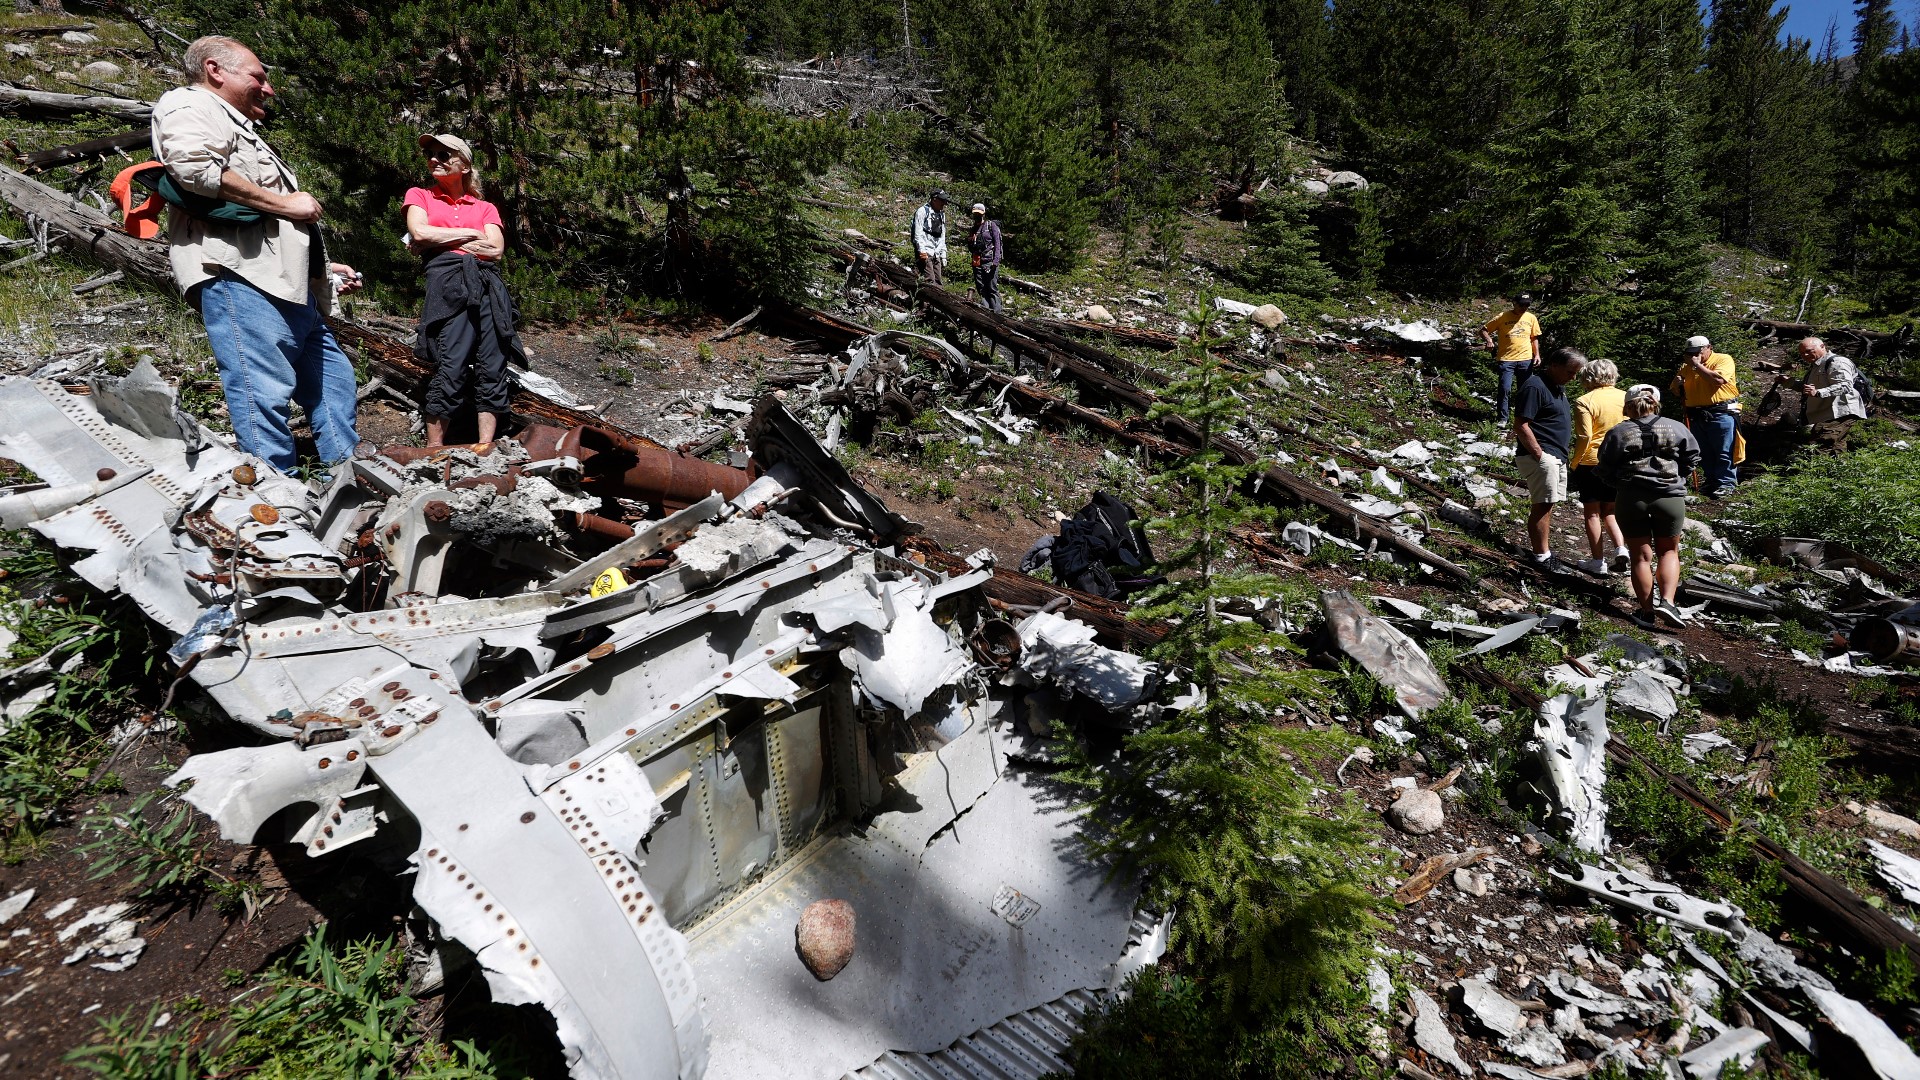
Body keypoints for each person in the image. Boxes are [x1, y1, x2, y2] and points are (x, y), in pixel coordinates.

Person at [152, 35, 362, 472]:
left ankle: (348, 474)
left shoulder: (237, 125)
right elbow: (193, 167)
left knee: (333, 379)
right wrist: (286, 203)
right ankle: (276, 492)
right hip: (239, 274)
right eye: (258, 77)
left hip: (286, 279)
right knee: (262, 389)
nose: (268, 89)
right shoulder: (190, 104)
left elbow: (269, 221)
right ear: (215, 70)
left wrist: (322, 267)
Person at [403, 133, 526, 447]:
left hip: (487, 285)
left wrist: (440, 238)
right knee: (451, 362)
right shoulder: (420, 195)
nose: (434, 159)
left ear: (465, 165)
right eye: (430, 154)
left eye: (444, 155)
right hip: (448, 285)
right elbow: (419, 232)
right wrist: (471, 234)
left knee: (492, 365)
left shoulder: (485, 207)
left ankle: (485, 446)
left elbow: (495, 250)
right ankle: (433, 449)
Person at [1596, 385, 1702, 631]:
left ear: (1628, 405)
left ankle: (1647, 612)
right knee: (1669, 551)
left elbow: (1604, 466)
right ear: (1656, 403)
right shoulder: (1676, 427)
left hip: (1631, 498)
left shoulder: (1618, 431)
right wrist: (1678, 478)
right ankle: (1668, 602)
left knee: (1640, 556)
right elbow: (1693, 458)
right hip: (1669, 497)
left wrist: (1619, 484)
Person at [1511, 347, 1587, 574]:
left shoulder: (1556, 387)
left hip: (1554, 456)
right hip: (1542, 456)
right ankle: (1541, 556)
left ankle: (1544, 552)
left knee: (1548, 504)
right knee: (1542, 505)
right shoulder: (1535, 386)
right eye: (1570, 371)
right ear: (1554, 365)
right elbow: (1521, 425)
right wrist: (1540, 456)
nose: (1573, 377)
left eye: (1576, 373)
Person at [1567, 358, 1628, 576]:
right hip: (1619, 461)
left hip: (1592, 461)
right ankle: (1621, 548)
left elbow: (1585, 436)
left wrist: (1575, 462)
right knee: (1610, 510)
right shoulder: (1626, 397)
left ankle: (1597, 561)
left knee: (1592, 513)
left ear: (1589, 377)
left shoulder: (1584, 400)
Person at [1670, 334, 1740, 498]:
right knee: (1704, 451)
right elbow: (1675, 390)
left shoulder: (1723, 359)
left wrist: (1696, 366)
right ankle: (1711, 481)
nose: (1694, 356)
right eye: (1690, 353)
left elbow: (1717, 380)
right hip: (1697, 414)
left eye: (1697, 352)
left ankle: (1726, 483)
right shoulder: (1686, 366)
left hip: (1720, 412)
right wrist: (1678, 384)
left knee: (1724, 450)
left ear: (1708, 348)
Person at [1798, 336, 1867, 452]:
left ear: (1822, 346)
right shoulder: (1817, 365)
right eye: (1802, 353)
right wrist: (1788, 382)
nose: (1805, 355)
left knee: (1821, 444)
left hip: (1841, 412)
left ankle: (1818, 464)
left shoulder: (1837, 362)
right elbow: (1809, 389)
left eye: (1809, 351)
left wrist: (1818, 392)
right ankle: (1839, 463)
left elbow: (1845, 386)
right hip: (1830, 413)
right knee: (1834, 447)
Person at [1481, 293, 1541, 424]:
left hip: (1525, 359)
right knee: (1505, 388)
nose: (1524, 308)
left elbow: (1534, 338)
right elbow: (1484, 330)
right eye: (1521, 305)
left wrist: (1537, 355)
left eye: (1527, 305)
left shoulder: (1531, 318)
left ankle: (1522, 419)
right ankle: (1503, 418)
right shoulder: (1502, 317)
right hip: (1506, 359)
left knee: (1525, 390)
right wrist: (1489, 340)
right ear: (1514, 303)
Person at [967, 202, 1003, 313]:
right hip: (977, 262)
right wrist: (970, 241)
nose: (977, 216)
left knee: (992, 288)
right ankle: (985, 312)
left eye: (979, 214)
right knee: (982, 289)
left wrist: (996, 261)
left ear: (983, 214)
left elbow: (997, 243)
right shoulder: (973, 229)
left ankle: (997, 314)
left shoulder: (991, 226)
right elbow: (971, 248)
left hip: (989, 262)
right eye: (975, 214)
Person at [911, 189, 948, 286]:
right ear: (934, 199)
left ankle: (939, 295)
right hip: (925, 250)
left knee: (938, 280)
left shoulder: (941, 214)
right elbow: (918, 233)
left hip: (936, 252)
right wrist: (921, 251)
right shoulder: (922, 211)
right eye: (942, 200)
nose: (944, 203)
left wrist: (943, 254)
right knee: (929, 280)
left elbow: (942, 235)